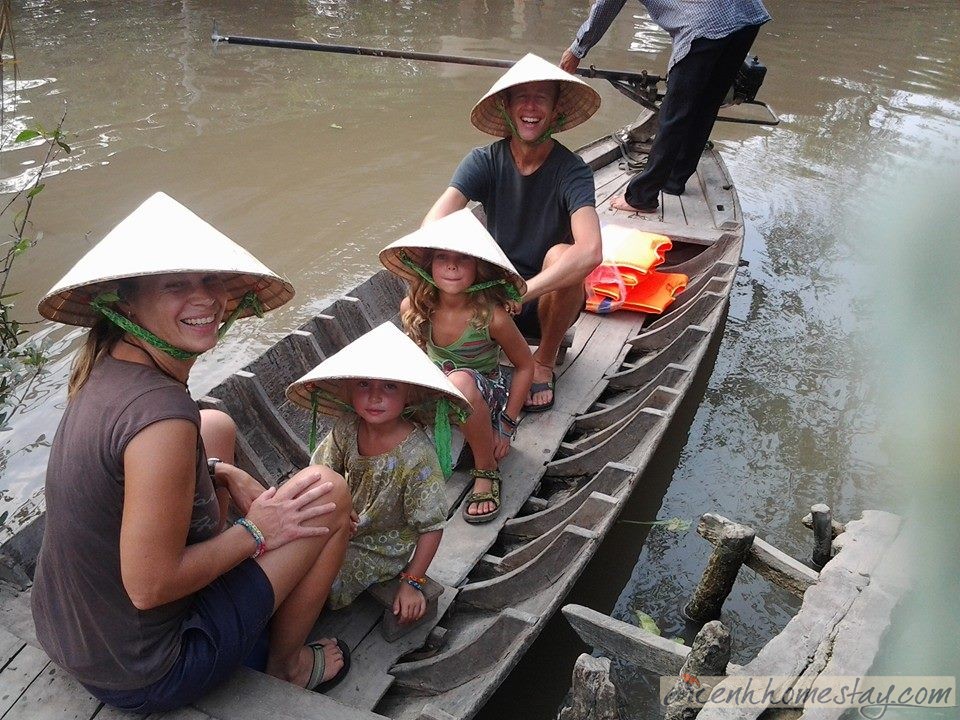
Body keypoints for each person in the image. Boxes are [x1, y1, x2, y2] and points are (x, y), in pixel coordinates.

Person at [31, 192, 353, 713]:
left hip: (70, 632)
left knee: (216, 425)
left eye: (210, 281)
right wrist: (257, 532)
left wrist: (220, 471)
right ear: (127, 302)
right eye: (176, 285)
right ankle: (287, 665)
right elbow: (150, 587)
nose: (205, 298)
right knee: (330, 494)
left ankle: (228, 569)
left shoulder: (107, 369)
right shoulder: (159, 417)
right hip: (145, 670)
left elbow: (135, 469)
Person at [424, 53, 603, 414]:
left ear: (555, 112)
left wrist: (523, 290)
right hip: (489, 292)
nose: (531, 107)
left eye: (541, 98)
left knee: (564, 255)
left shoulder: (573, 171)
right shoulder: (484, 160)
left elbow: (592, 251)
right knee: (444, 248)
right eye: (521, 97)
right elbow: (433, 224)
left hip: (545, 298)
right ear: (507, 107)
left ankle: (544, 360)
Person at [285, 322, 471, 621]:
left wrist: (412, 582)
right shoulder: (347, 426)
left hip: (381, 544)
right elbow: (321, 472)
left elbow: (431, 526)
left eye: (389, 386)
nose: (374, 397)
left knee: (320, 578)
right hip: (343, 521)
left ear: (408, 394)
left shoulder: (417, 455)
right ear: (349, 388)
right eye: (363, 385)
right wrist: (340, 512)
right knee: (289, 551)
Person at [379, 209, 534, 523]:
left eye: (462, 259)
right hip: (437, 390)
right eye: (441, 257)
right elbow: (418, 360)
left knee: (461, 381)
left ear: (478, 268)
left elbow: (525, 365)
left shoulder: (492, 317)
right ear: (429, 266)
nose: (451, 265)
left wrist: (506, 424)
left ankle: (486, 470)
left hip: (481, 395)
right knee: (378, 383)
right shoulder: (415, 307)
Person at [560, 0, 771, 213]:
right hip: (745, 16)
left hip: (705, 22)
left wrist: (578, 49)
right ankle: (674, 179)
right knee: (706, 104)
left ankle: (642, 197)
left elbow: (607, 4)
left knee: (675, 112)